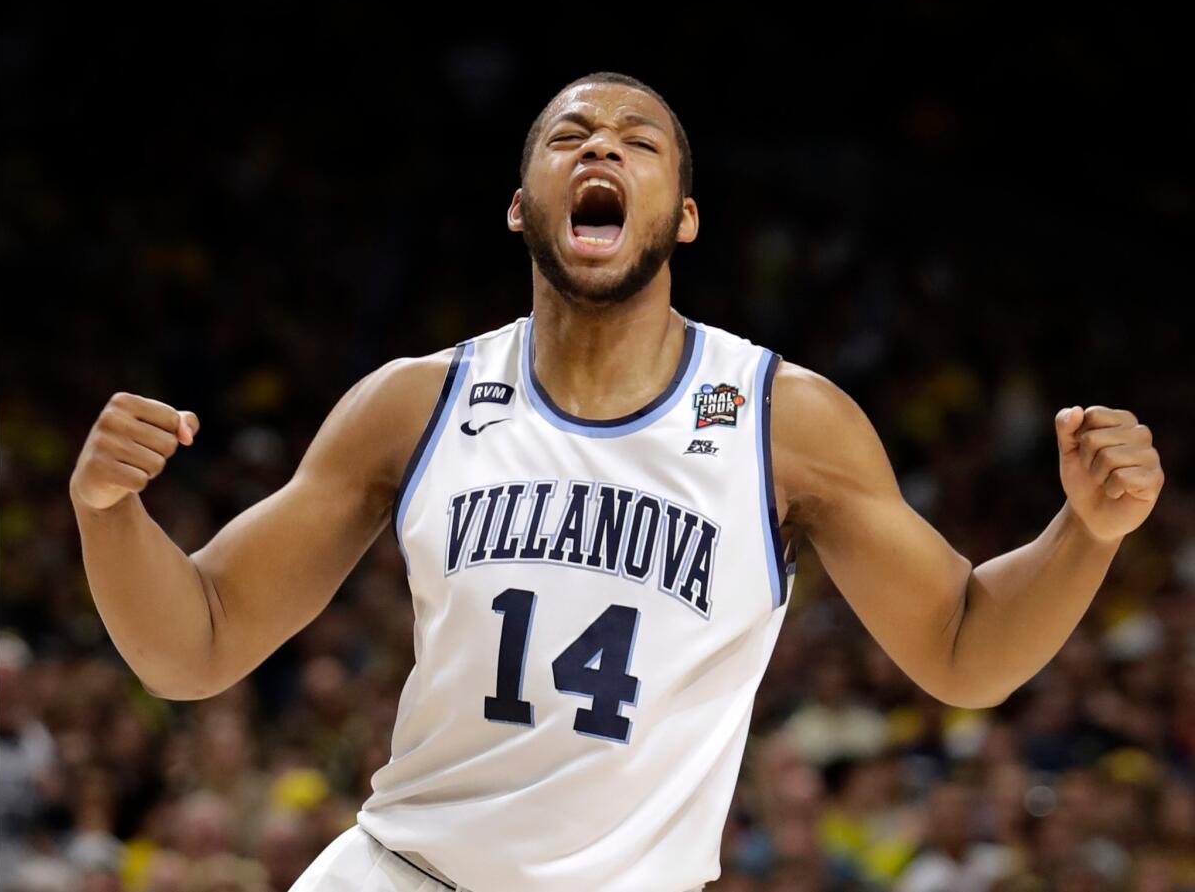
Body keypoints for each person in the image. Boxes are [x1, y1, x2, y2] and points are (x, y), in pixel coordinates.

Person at [68, 71, 1165, 892]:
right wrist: (109, 516)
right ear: (519, 202)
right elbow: (195, 639)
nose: (604, 150)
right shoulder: (415, 401)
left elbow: (967, 647)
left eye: (640, 143)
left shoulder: (786, 420)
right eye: (571, 136)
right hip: (404, 871)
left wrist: (1088, 531)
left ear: (682, 215)